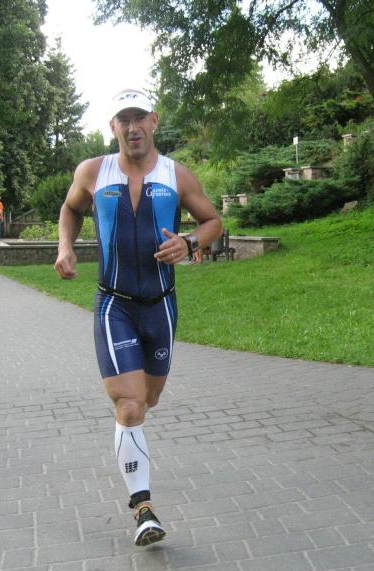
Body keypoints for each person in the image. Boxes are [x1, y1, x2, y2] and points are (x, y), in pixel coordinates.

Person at [54, 87, 222, 545]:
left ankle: (132, 446)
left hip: (161, 305)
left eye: (139, 118)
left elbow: (212, 221)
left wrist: (189, 242)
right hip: (114, 304)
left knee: (149, 399)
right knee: (128, 404)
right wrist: (66, 247)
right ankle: (142, 508)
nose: (132, 128)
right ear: (113, 126)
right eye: (123, 120)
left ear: (154, 121)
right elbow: (70, 208)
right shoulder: (93, 171)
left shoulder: (176, 174)